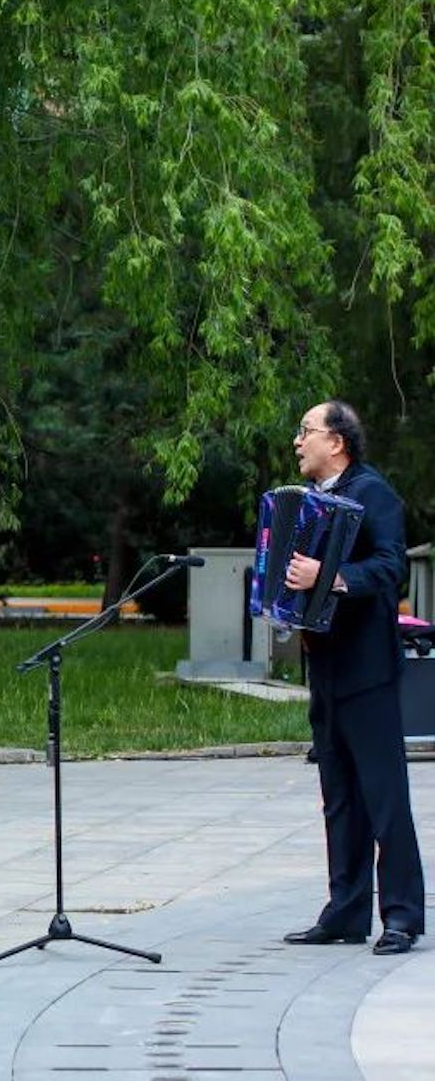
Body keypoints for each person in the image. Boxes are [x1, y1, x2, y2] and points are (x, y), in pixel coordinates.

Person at [282, 401, 425, 956]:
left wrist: (333, 577)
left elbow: (393, 567)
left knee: (384, 796)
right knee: (339, 794)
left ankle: (403, 916)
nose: (298, 442)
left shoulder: (373, 493)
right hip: (326, 665)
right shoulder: (310, 503)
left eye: (306, 432)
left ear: (336, 441)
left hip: (367, 669)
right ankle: (345, 910)